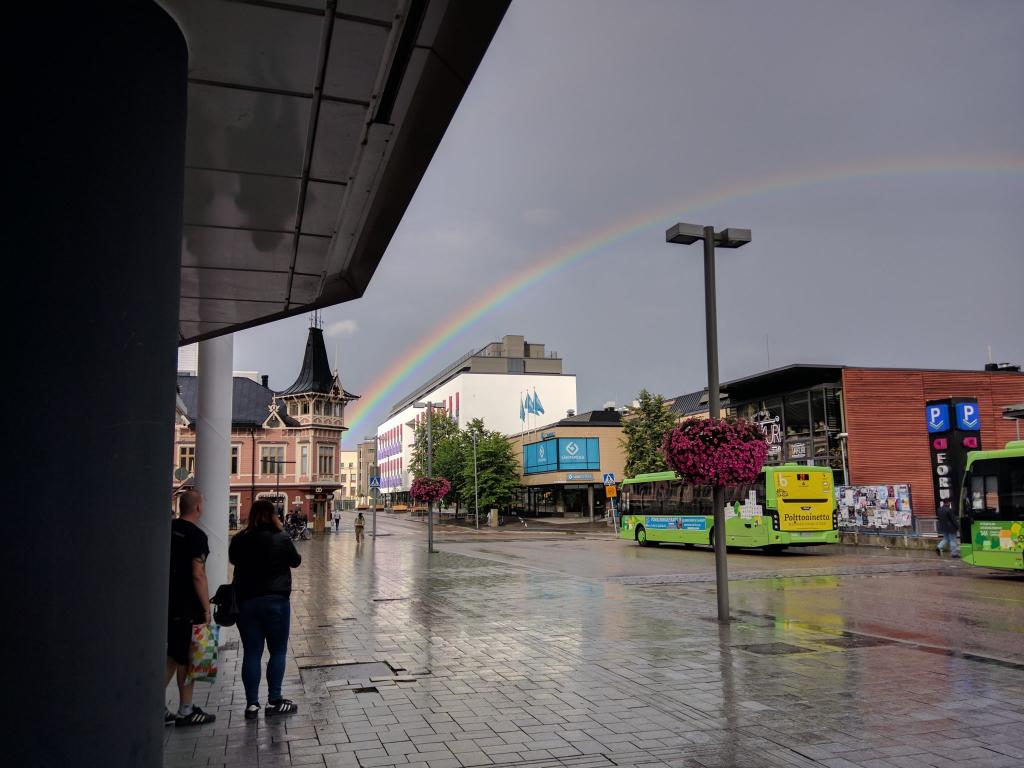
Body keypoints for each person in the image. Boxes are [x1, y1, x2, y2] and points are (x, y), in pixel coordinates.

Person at [229, 499, 302, 720]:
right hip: (276, 601)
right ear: (273, 514)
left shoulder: (240, 539)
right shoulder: (282, 537)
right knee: (277, 651)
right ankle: (274, 700)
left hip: (247, 602)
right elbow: (296, 561)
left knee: (251, 653)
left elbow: (233, 560)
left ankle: (252, 705)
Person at [165, 489, 216, 726]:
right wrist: (206, 609)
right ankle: (184, 709)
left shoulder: (168, 530)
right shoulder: (197, 536)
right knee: (187, 656)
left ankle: (177, 707)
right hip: (188, 606)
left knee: (176, 656)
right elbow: (198, 574)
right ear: (197, 508)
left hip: (168, 601)